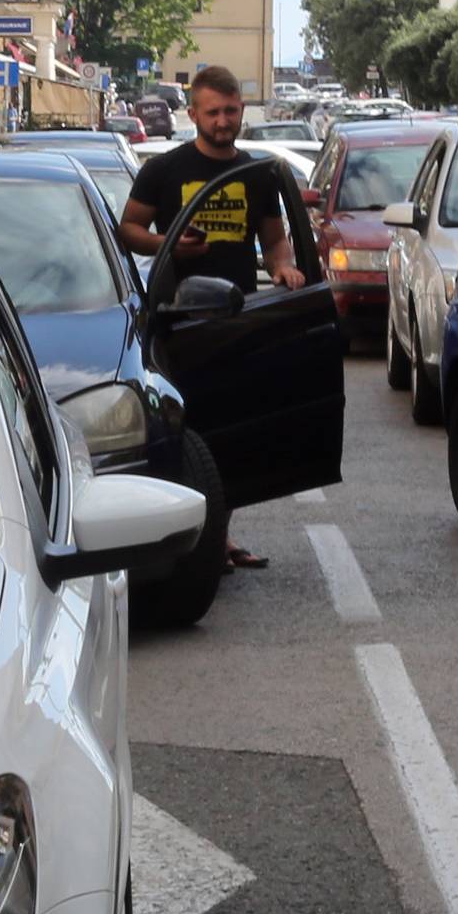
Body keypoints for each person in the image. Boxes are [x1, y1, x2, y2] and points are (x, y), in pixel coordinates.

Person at [120, 64, 307, 573]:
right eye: (213, 112)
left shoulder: (255, 174)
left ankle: (220, 537)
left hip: (237, 318)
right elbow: (128, 229)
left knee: (234, 430)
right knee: (188, 434)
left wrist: (286, 267)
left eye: (231, 111)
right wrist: (169, 245)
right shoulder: (164, 170)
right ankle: (189, 539)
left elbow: (273, 238)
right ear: (194, 114)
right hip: (180, 323)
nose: (223, 121)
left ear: (240, 111)